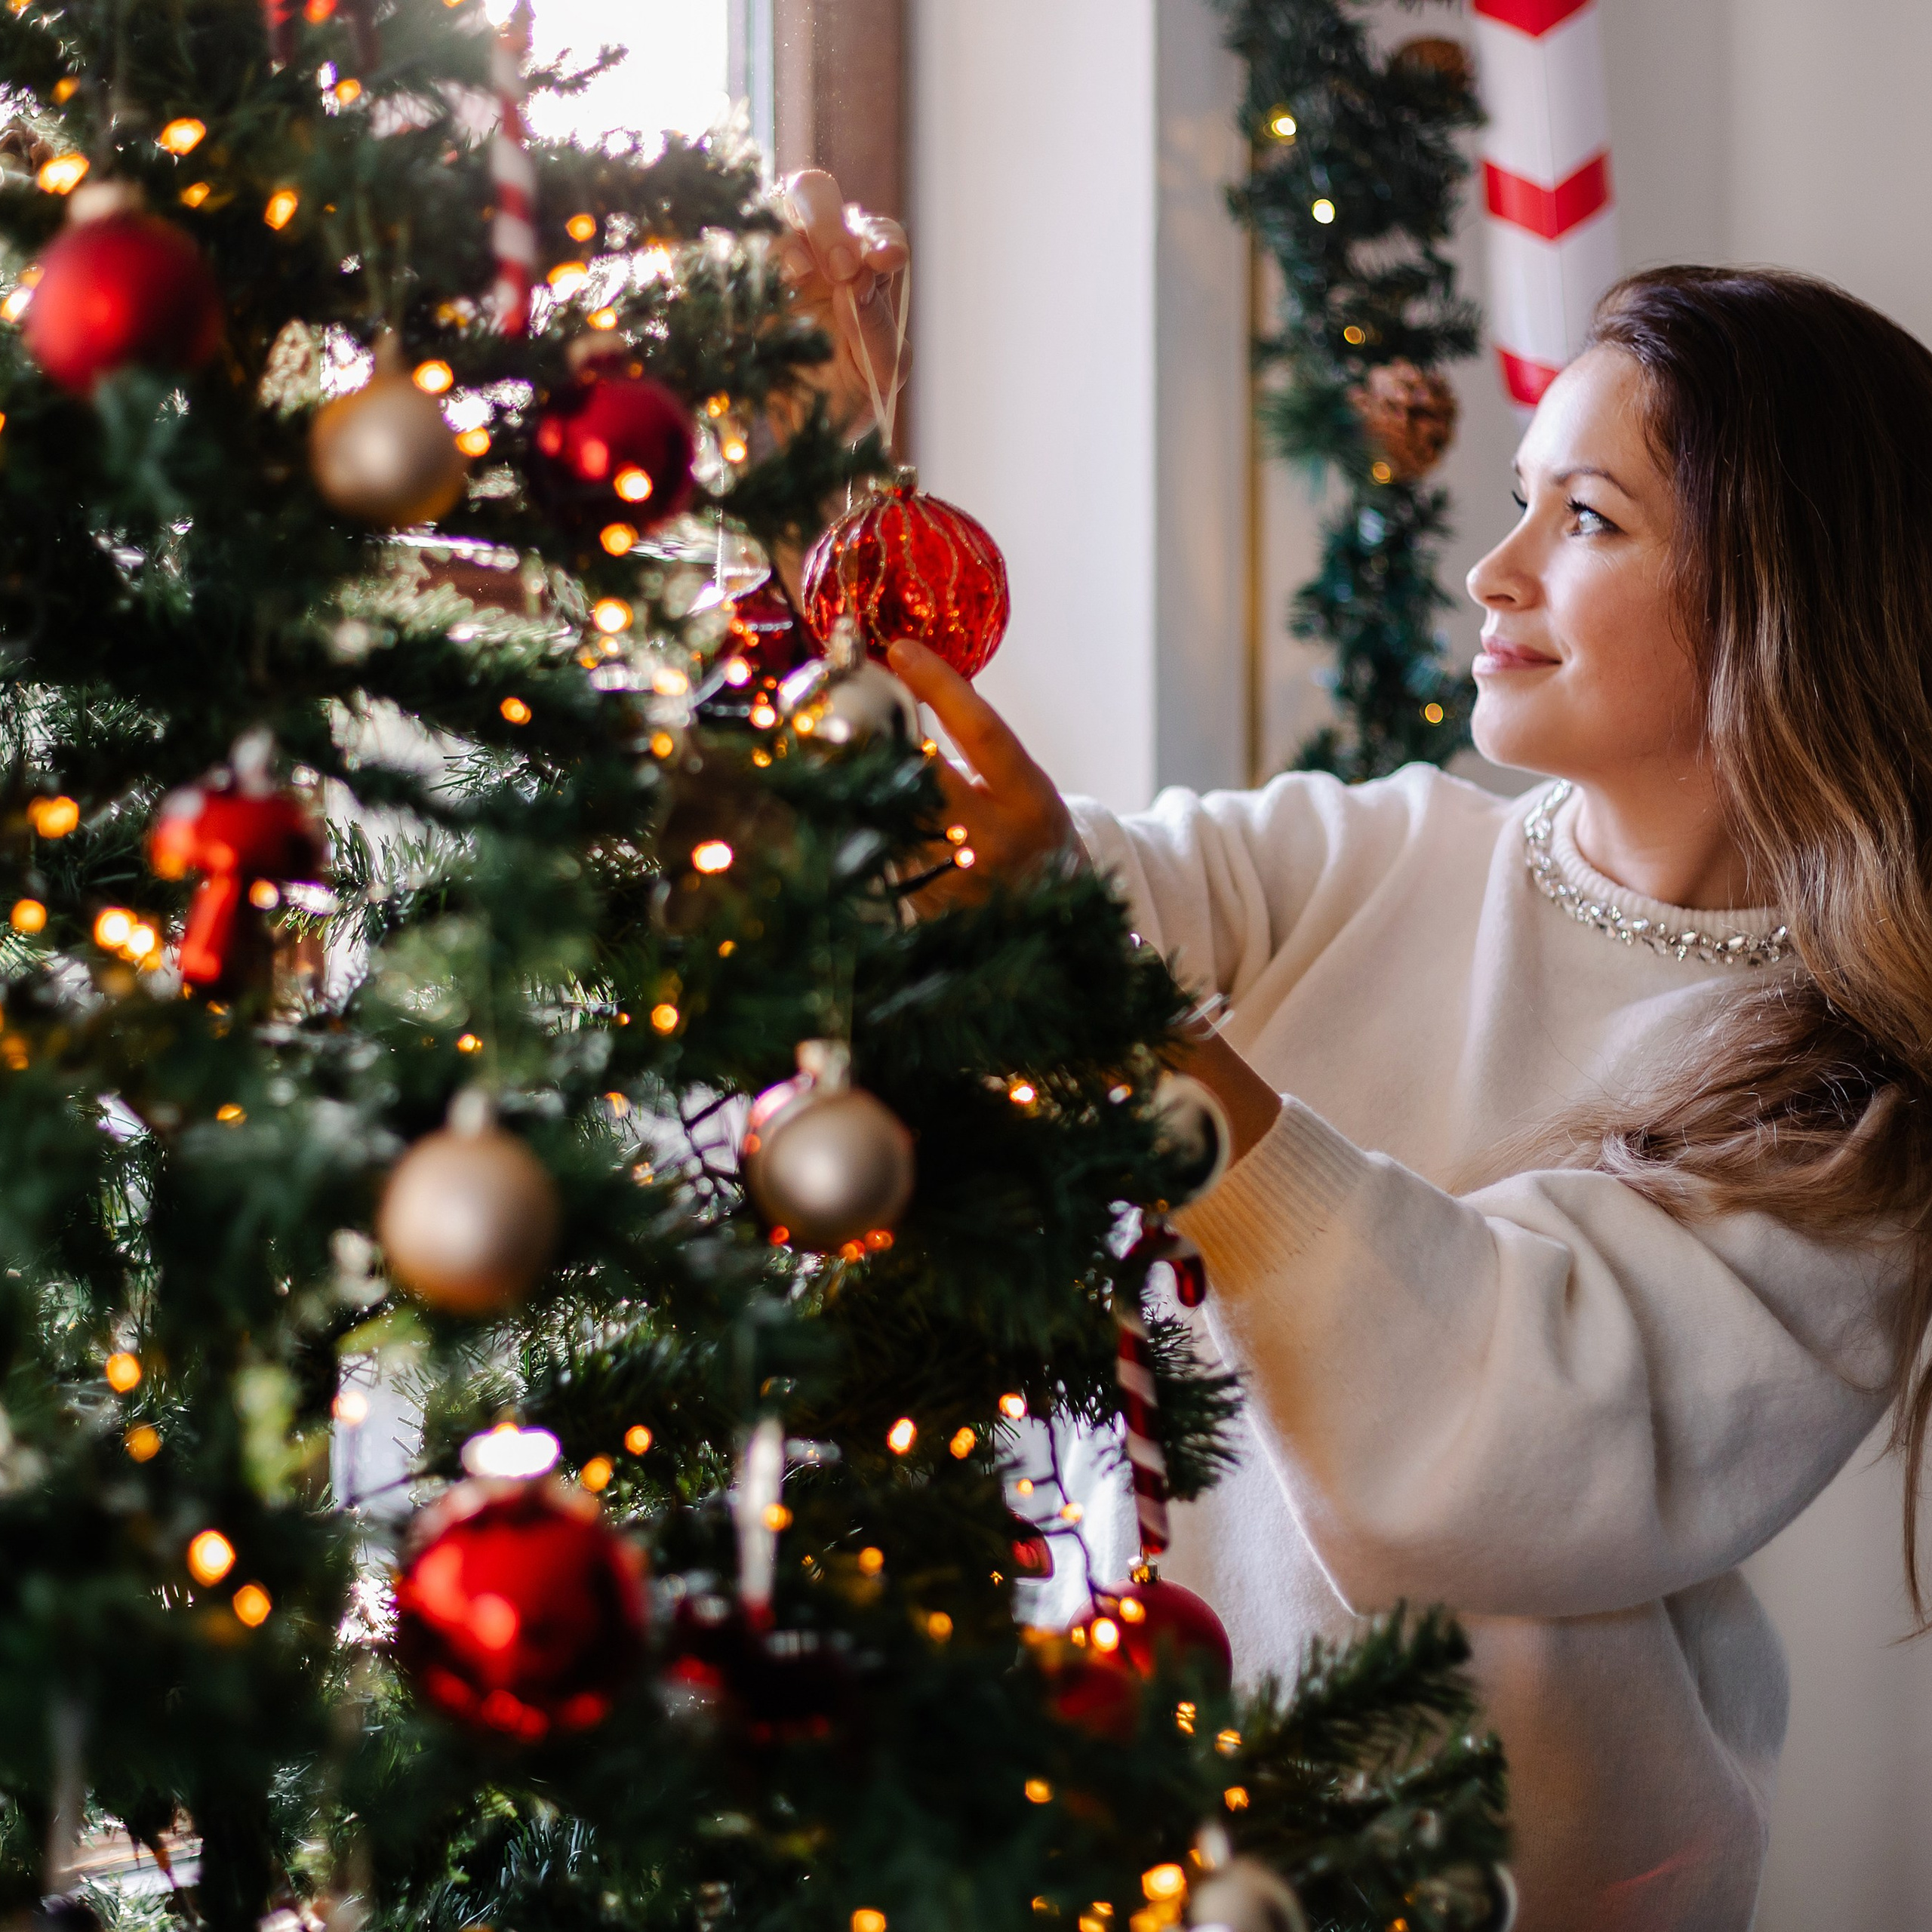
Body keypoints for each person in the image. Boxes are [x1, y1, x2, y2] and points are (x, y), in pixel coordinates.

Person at [777, 237, 1932, 1928]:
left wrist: (1131, 1030)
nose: (1492, 566)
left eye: (1584, 518)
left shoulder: (1846, 1123)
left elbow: (1502, 1438)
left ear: (1782, 604)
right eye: (1520, 497)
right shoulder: (1367, 850)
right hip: (1106, 1835)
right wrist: (808, 464)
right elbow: (946, 911)